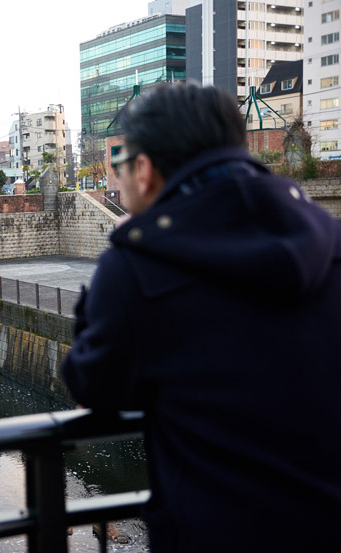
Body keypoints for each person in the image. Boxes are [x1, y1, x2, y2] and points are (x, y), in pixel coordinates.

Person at [62, 84, 341, 552]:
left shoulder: (139, 264)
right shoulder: (330, 238)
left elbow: (92, 381)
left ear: (145, 170)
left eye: (120, 165)